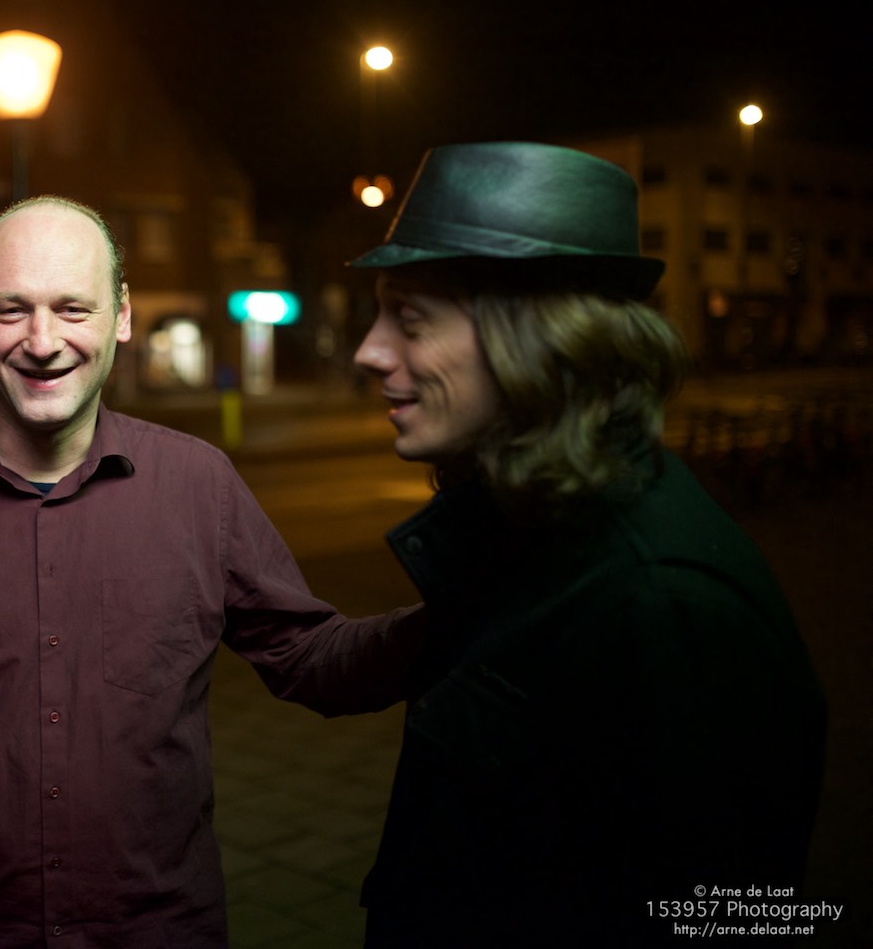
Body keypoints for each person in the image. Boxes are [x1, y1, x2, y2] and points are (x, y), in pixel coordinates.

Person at [0, 195, 426, 948]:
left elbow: (310, 658)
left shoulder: (199, 484)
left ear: (121, 316)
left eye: (73, 308)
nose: (42, 342)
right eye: (10, 310)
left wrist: (467, 611)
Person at [347, 141, 826, 946]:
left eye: (411, 319)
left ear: (540, 340)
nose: (370, 351)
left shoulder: (665, 603)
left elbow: (736, 915)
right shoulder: (530, 527)